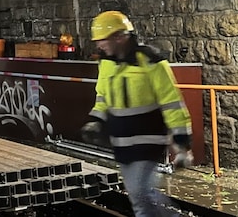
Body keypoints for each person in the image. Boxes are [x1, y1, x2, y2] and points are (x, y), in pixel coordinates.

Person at [82, 11, 193, 217]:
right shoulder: (106, 63)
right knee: (139, 197)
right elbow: (103, 96)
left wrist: (182, 144)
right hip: (122, 143)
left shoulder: (150, 61)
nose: (99, 45)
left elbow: (172, 104)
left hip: (148, 142)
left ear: (120, 37)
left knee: (140, 194)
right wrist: (96, 119)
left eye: (102, 40)